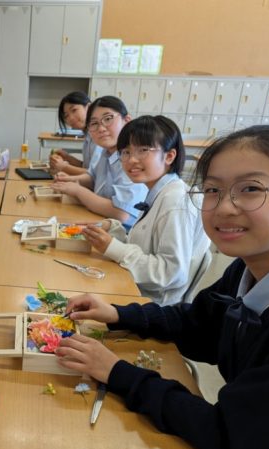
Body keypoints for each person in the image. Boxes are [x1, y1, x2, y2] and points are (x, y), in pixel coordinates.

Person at [56, 125, 269, 449]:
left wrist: (116, 371)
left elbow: (225, 433)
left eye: (251, 188)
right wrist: (118, 314)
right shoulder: (246, 270)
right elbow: (197, 324)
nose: (224, 207)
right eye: (213, 190)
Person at [82, 115, 210, 306]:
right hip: (135, 289)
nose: (131, 160)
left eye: (143, 150)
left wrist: (112, 247)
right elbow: (144, 248)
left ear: (169, 156)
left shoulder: (175, 201)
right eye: (125, 152)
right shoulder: (159, 190)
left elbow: (170, 273)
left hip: (152, 305)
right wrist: (113, 228)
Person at [51, 96, 148, 228]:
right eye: (94, 123)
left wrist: (78, 191)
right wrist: (69, 180)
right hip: (101, 220)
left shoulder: (132, 159)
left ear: (127, 121)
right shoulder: (106, 151)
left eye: (108, 119)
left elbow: (122, 214)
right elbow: (93, 178)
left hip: (124, 231)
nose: (101, 128)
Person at [49, 91, 102, 175]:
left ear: (89, 107)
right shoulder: (88, 135)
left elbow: (94, 174)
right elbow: (85, 166)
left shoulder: (99, 136)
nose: (71, 118)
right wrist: (67, 157)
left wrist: (63, 167)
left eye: (74, 110)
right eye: (66, 116)